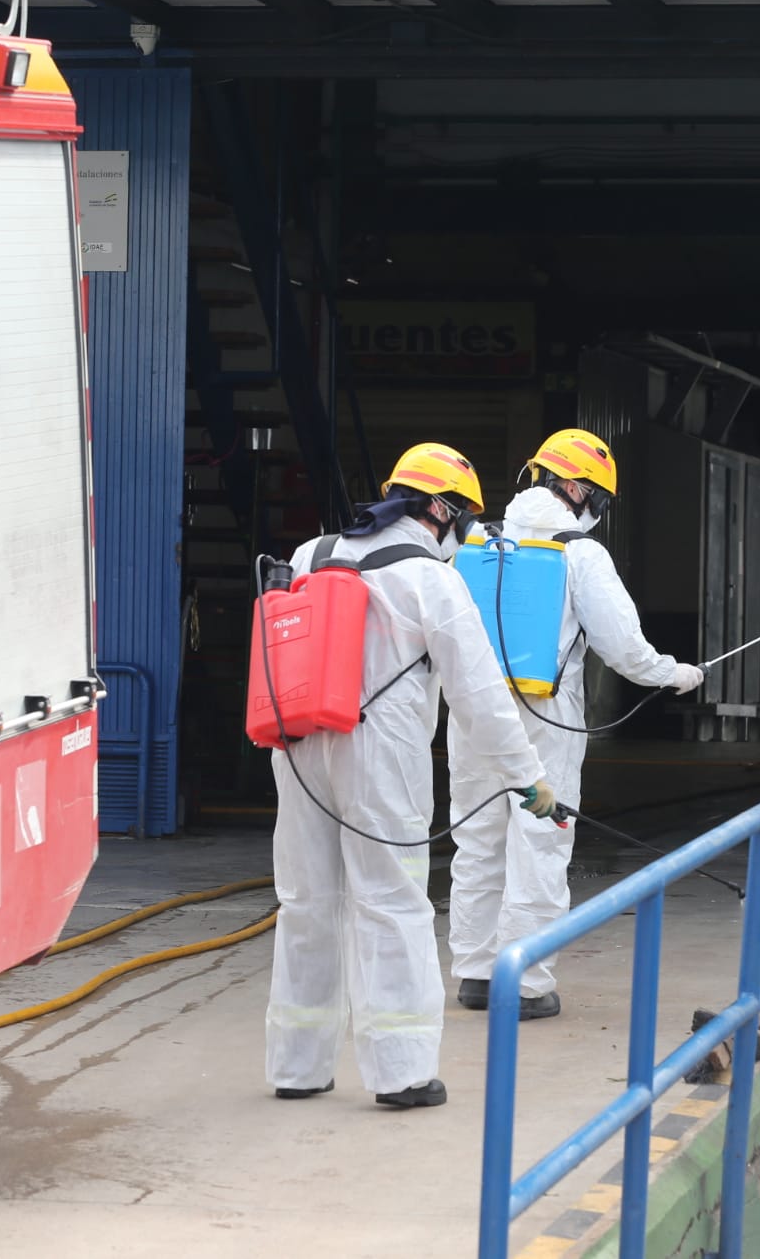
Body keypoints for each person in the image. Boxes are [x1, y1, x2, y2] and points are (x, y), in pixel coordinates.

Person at [264, 442, 558, 1108]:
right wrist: (528, 777)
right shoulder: (432, 578)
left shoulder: (311, 553)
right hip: (380, 753)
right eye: (463, 517)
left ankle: (296, 1064)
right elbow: (480, 694)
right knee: (391, 900)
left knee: (306, 902)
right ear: (436, 509)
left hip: (299, 744)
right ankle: (400, 1071)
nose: (465, 532)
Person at [447, 429, 705, 1020]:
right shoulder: (581, 555)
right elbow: (625, 649)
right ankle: (527, 982)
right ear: (575, 488)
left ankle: (477, 974)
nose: (599, 511)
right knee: (540, 838)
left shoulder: (477, 542)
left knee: (477, 840)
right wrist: (676, 675)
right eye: (600, 499)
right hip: (544, 716)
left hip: (474, 711)